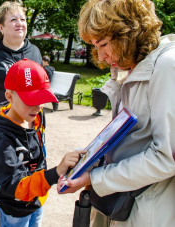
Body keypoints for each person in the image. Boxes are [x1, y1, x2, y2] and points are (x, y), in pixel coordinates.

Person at [58, 0, 175, 227]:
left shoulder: (167, 67)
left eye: (102, 44)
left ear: (128, 32)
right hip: (128, 203)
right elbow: (130, 140)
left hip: (150, 211)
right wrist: (91, 159)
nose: (100, 56)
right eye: (94, 46)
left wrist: (94, 177)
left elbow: (166, 157)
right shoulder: (133, 66)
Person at [0, 59, 84, 227]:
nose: (37, 107)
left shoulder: (36, 117)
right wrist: (54, 173)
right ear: (9, 96)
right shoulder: (2, 138)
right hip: (15, 207)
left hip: (38, 197)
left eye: (41, 99)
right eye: (30, 100)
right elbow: (15, 185)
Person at [0, 2, 42, 225]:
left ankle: (30, 202)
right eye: (13, 19)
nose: (19, 23)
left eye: (22, 19)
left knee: (30, 166)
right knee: (1, 169)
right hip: (2, 126)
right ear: (1, 27)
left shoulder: (34, 52)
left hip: (30, 125)